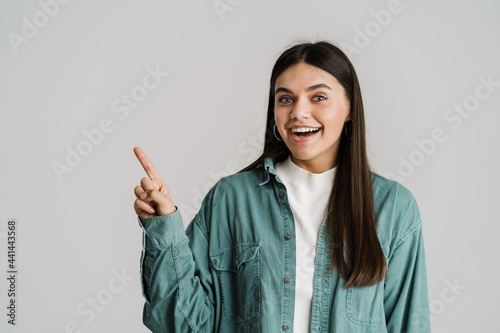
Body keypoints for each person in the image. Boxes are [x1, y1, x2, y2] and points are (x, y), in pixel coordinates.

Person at [133, 40, 431, 332]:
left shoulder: (393, 207)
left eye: (318, 98)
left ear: (350, 109)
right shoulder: (231, 199)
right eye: (286, 99)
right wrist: (163, 224)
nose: (298, 113)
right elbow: (182, 325)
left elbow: (409, 324)